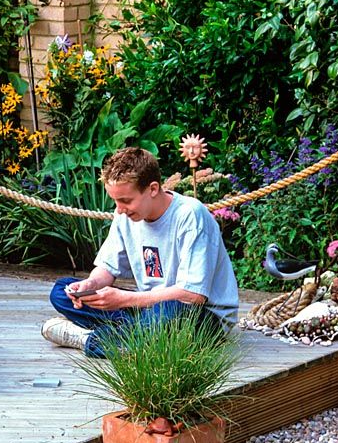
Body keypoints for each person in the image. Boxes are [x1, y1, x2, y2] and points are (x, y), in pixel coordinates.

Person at [41, 147, 238, 357]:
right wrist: (90, 285)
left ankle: (87, 339)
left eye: (125, 200)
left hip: (199, 314)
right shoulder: (124, 215)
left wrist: (123, 299)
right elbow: (108, 267)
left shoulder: (191, 215)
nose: (119, 209)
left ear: (153, 189)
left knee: (168, 314)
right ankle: (130, 334)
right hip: (146, 308)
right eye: (115, 201)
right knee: (62, 290)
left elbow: (193, 295)